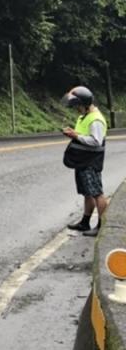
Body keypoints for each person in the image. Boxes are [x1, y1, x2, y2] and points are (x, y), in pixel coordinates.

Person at [63, 86, 109, 237]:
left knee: (97, 193)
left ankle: (102, 226)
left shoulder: (96, 120)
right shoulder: (84, 116)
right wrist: (74, 134)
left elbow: (96, 141)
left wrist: (76, 136)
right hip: (82, 160)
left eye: (78, 106)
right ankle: (85, 222)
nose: (77, 109)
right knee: (87, 193)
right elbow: (83, 135)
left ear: (86, 103)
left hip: (91, 162)